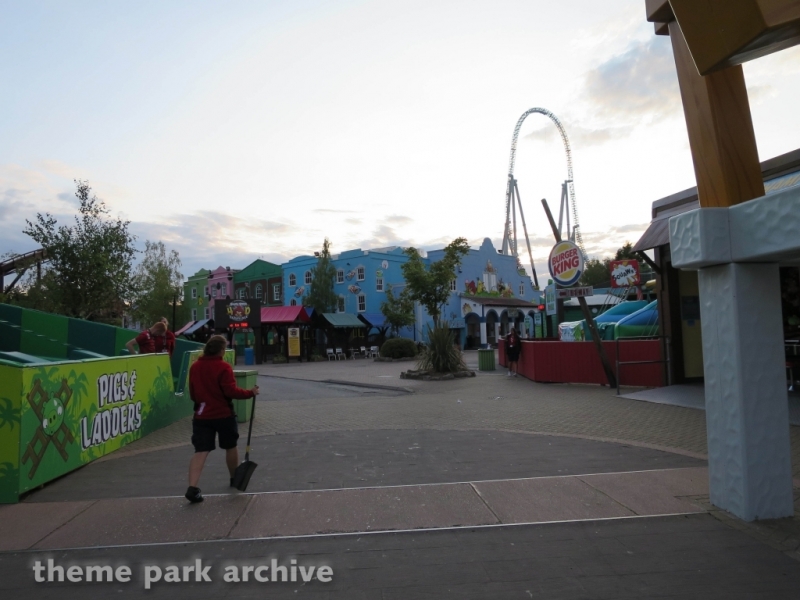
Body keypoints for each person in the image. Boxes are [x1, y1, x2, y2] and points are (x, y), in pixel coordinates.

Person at [185, 334, 259, 503]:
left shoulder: (195, 367)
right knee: (230, 446)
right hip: (223, 414)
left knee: (201, 451)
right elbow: (231, 392)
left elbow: (193, 393)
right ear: (221, 350)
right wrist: (250, 393)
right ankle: (234, 479)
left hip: (202, 415)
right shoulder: (223, 367)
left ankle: (192, 487)